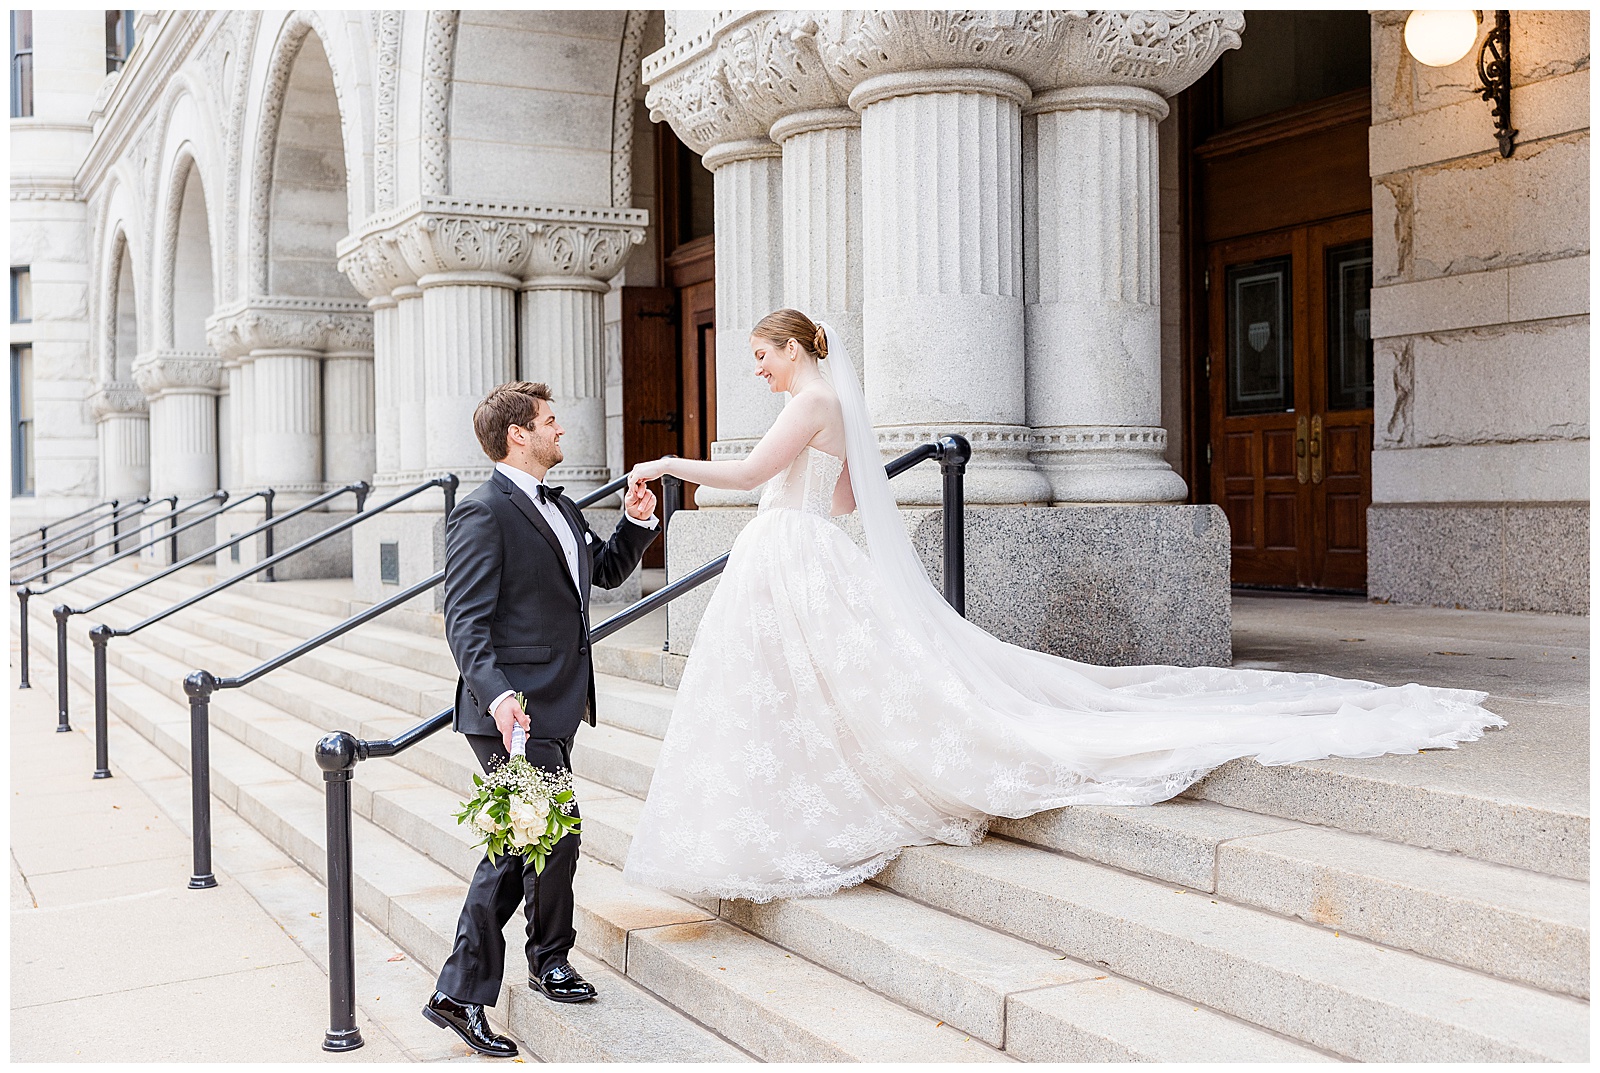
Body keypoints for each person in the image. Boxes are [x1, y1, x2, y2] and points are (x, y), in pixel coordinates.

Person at [620, 308, 1503, 904]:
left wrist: (663, 464)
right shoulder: (831, 406)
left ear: (793, 349)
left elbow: (748, 473)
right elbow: (848, 497)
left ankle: (788, 806)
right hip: (804, 546)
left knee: (794, 687)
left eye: (762, 354)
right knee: (811, 686)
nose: (759, 368)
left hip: (787, 550)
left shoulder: (810, 400)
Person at [423, 381, 659, 1058]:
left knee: (540, 840)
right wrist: (498, 696)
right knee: (536, 839)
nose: (561, 429)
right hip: (510, 711)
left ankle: (536, 964)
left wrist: (636, 524)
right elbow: (465, 622)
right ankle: (469, 988)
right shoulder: (482, 512)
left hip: (555, 701)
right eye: (550, 420)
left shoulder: (560, 505)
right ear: (518, 434)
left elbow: (603, 573)